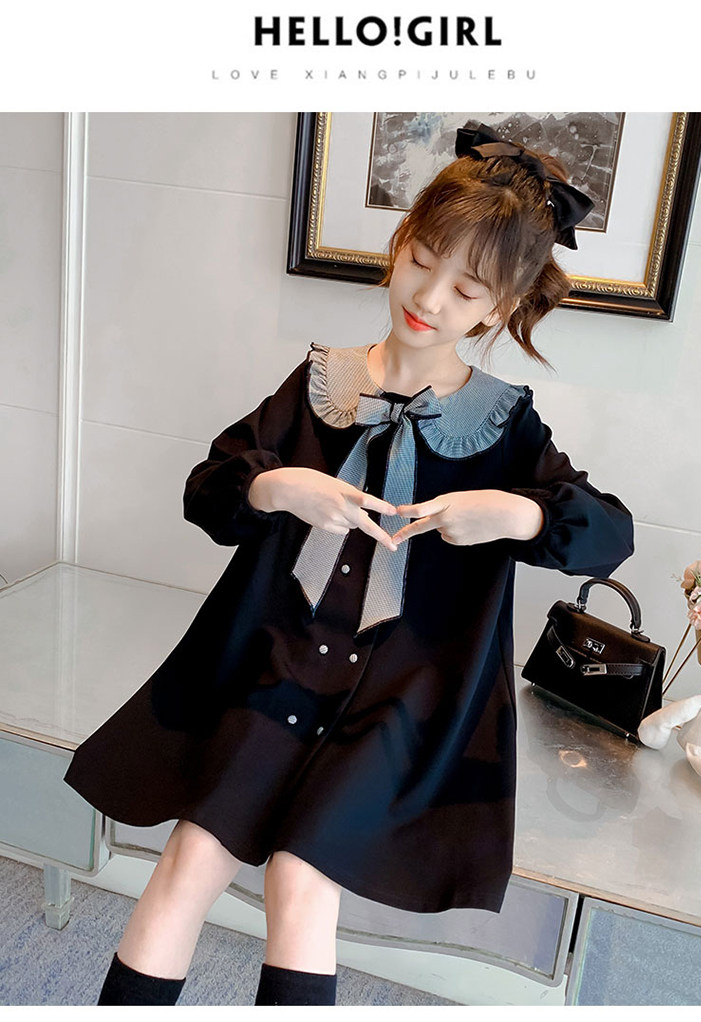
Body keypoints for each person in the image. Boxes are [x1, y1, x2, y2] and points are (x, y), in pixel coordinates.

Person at [63, 121, 634, 1006]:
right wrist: (278, 487)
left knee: (301, 881)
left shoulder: (504, 424)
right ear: (400, 242)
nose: (429, 297)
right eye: (422, 260)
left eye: (465, 288)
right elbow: (209, 489)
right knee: (188, 858)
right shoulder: (319, 383)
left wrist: (515, 513)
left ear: (498, 308)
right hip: (276, 668)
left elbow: (608, 533)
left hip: (401, 700)